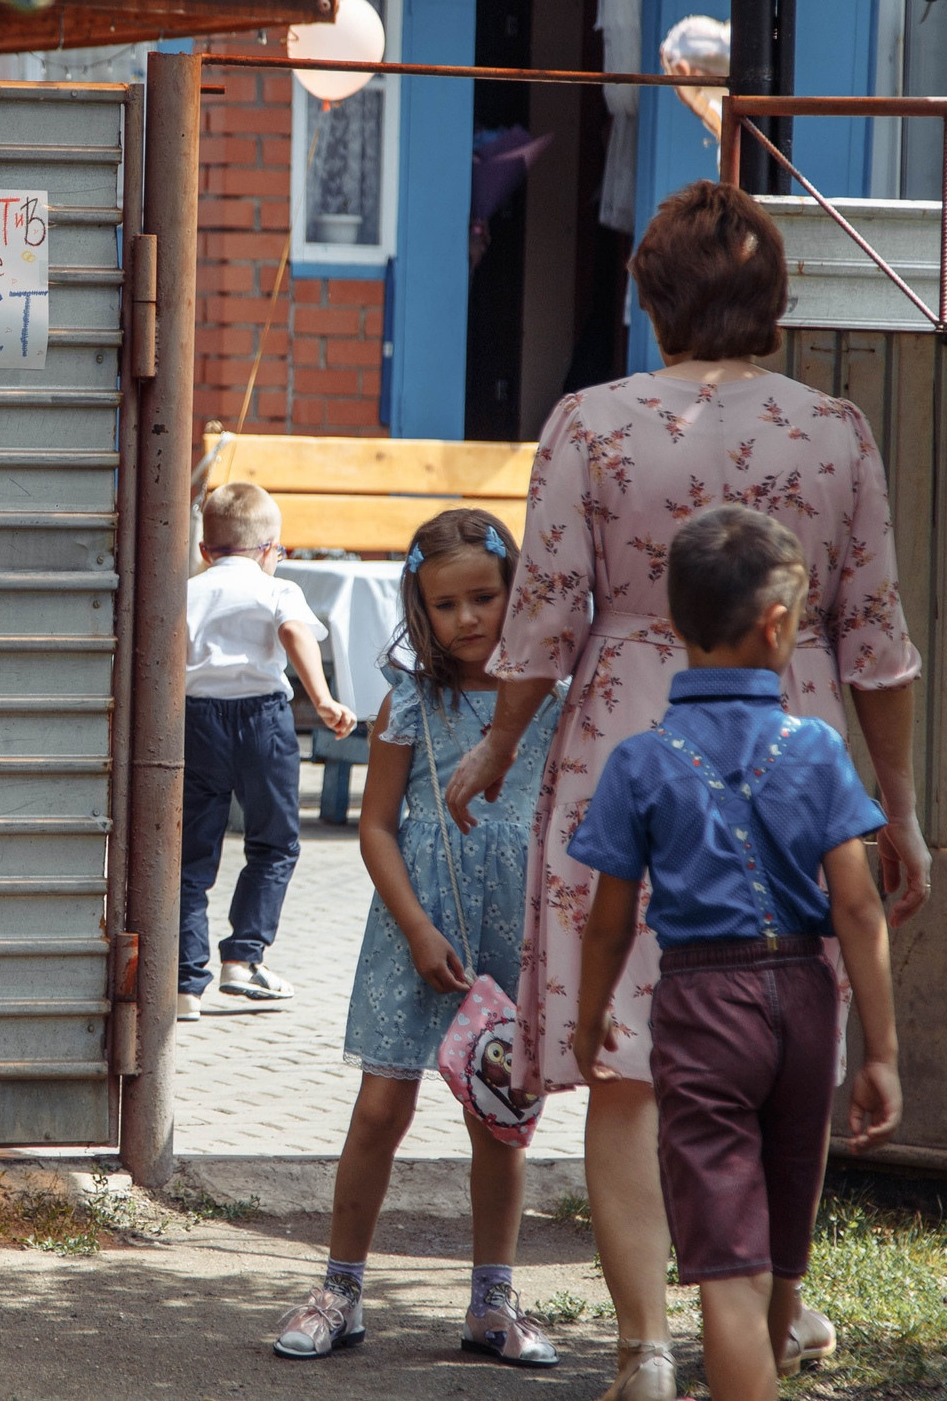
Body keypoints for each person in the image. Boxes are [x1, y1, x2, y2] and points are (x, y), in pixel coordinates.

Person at [443, 181, 932, 1401]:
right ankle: (770, 1312)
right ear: (775, 300)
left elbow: (546, 618)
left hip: (627, 746)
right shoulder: (835, 431)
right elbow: (874, 639)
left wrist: (501, 744)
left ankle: (645, 1349)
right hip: (791, 744)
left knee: (628, 1066)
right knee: (780, 1041)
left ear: (645, 295)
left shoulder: (590, 424)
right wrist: (903, 805)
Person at [567, 505, 902, 1401]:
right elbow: (860, 908)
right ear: (780, 624)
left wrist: (590, 1011)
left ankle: (746, 1338)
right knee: (784, 1214)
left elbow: (607, 922)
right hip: (805, 995)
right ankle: (782, 1323)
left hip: (701, 1008)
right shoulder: (817, 747)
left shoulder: (640, 761)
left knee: (726, 1269)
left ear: (677, 624)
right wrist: (879, 1050)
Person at [273, 509, 565, 1368]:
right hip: (418, 930)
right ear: (420, 608)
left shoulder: (553, 697)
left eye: (486, 596)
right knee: (379, 1109)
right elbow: (373, 827)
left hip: (514, 931)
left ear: (519, 594)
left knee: (502, 1120)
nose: (468, 618)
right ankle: (339, 1289)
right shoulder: (411, 699)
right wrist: (414, 925)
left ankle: (490, 1302)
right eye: (447, 604)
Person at [180, 481, 355, 1020]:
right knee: (274, 842)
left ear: (206, 549)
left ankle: (185, 986)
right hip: (263, 721)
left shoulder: (187, 589)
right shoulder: (276, 589)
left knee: (191, 855)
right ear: (268, 549)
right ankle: (244, 958)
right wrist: (323, 699)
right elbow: (294, 633)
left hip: (197, 720)